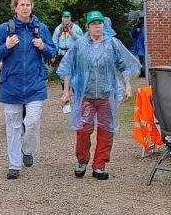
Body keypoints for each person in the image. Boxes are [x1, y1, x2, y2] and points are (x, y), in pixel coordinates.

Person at [58, 10, 140, 180]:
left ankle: (99, 165)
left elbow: (123, 66)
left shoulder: (112, 44)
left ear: (104, 25)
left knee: (106, 130)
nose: (97, 26)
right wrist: (66, 91)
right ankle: (82, 161)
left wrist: (127, 85)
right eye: (94, 24)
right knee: (83, 130)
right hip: (86, 95)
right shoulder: (79, 44)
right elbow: (67, 67)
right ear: (88, 27)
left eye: (100, 23)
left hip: (106, 95)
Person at [0, 0, 57, 179]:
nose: (25, 8)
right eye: (22, 5)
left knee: (32, 122)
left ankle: (27, 149)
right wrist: (7, 46)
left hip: (35, 84)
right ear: (15, 8)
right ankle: (14, 164)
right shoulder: (5, 29)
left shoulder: (41, 28)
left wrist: (44, 47)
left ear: (32, 7)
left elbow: (53, 53)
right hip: (11, 84)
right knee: (13, 126)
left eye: (28, 5)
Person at [51, 11, 83, 76]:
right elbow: (54, 42)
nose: (66, 19)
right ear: (62, 18)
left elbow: (82, 41)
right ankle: (64, 86)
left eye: (68, 17)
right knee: (63, 73)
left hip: (73, 53)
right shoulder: (58, 29)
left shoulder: (76, 28)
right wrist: (53, 54)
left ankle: (73, 85)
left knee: (74, 73)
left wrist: (73, 34)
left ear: (70, 18)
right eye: (65, 17)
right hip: (61, 54)